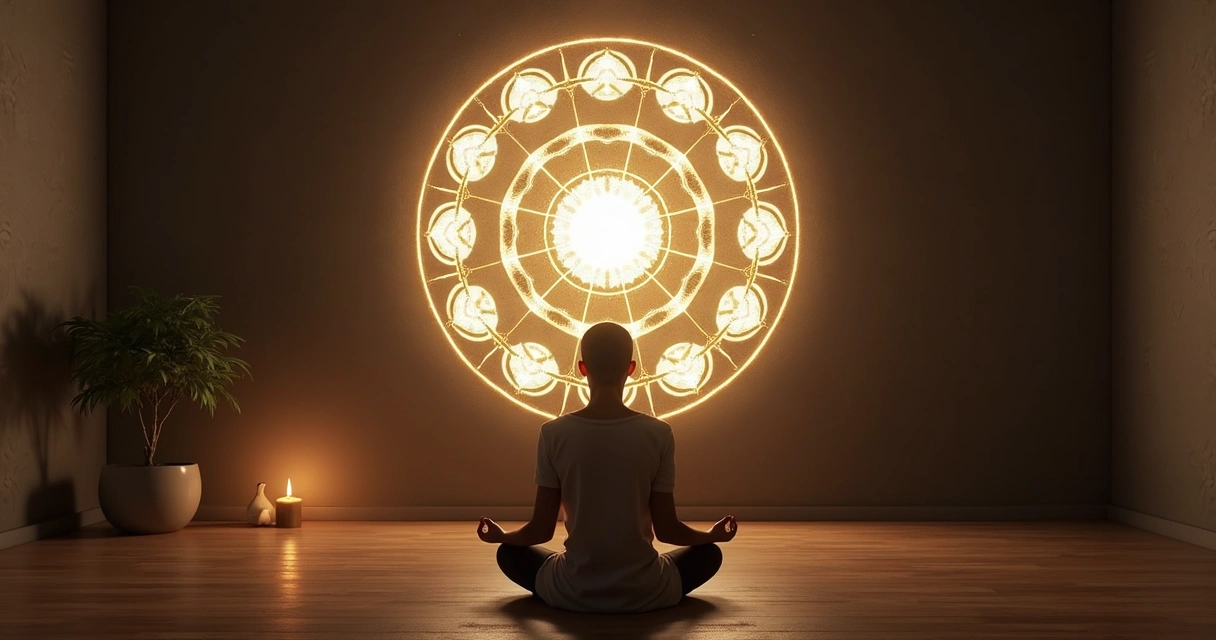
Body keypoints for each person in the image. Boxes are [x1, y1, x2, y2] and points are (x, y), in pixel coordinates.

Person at [476, 322, 737, 613]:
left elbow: (540, 531)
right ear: (631, 368)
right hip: (647, 591)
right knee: (709, 555)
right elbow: (667, 530)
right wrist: (711, 536)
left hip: (571, 590)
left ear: (581, 368)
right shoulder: (659, 434)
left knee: (508, 554)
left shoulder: (553, 433)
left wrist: (502, 537)